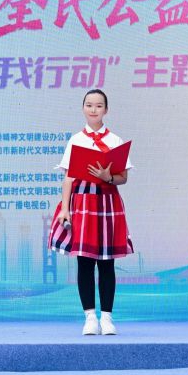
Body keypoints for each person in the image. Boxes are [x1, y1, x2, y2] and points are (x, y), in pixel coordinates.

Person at [49, 89, 133, 335]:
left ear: (106, 109)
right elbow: (68, 178)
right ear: (83, 108)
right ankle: (89, 318)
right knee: (84, 261)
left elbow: (123, 177)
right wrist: (65, 209)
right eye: (89, 105)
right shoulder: (76, 140)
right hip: (82, 202)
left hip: (107, 200)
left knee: (107, 262)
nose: (93, 109)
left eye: (98, 105)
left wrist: (108, 176)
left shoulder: (115, 140)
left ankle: (107, 318)